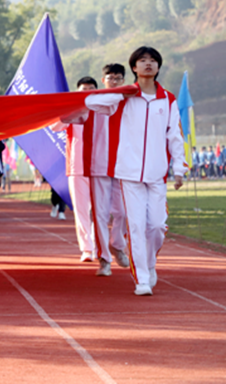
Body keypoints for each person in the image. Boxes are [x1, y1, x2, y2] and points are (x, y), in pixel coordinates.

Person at [85, 46, 186, 296]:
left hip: (157, 174)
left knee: (157, 226)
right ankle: (141, 278)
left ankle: (150, 264)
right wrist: (120, 93)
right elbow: (91, 102)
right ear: (134, 67)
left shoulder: (168, 99)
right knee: (137, 227)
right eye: (142, 60)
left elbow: (175, 136)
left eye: (153, 60)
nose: (148, 64)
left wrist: (179, 168)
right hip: (129, 173)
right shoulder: (124, 98)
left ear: (158, 67)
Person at [50, 77, 98, 264]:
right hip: (76, 167)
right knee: (81, 210)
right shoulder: (71, 109)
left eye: (91, 89)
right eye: (83, 89)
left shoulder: (104, 110)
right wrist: (73, 112)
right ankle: (87, 249)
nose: (87, 91)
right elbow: (54, 127)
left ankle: (99, 245)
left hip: (100, 167)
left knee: (100, 210)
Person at [88, 64, 130, 277]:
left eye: (118, 78)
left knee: (123, 212)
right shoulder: (93, 102)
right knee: (101, 215)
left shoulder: (130, 102)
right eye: (110, 77)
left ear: (124, 80)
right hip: (99, 165)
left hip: (122, 166)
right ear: (102, 79)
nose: (114, 81)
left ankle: (117, 244)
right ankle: (104, 259)